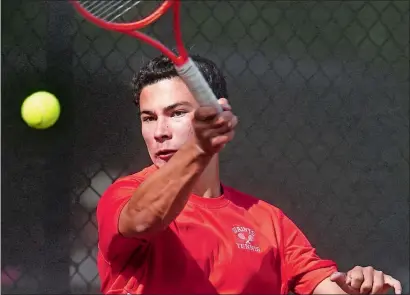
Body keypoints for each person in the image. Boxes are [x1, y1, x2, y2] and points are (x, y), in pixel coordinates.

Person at [96, 55, 402, 295]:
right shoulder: (124, 197)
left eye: (176, 113)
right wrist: (199, 149)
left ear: (215, 113)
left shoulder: (269, 221)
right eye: (148, 118)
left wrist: (361, 287)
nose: (160, 132)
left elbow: (327, 287)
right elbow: (143, 219)